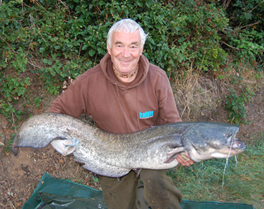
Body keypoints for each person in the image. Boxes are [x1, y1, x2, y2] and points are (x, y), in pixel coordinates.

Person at [49, 18, 194, 209]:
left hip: (150, 155)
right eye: (119, 45)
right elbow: (56, 113)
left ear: (141, 49)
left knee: (158, 188)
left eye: (133, 46)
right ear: (109, 48)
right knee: (121, 205)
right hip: (111, 158)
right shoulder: (89, 81)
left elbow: (173, 125)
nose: (126, 54)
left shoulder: (158, 78)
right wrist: (57, 139)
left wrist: (184, 149)